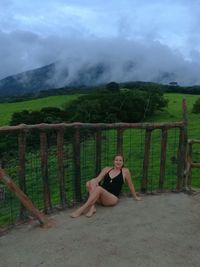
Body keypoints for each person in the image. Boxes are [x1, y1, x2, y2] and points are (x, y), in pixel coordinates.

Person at [70, 154, 142, 218]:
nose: (118, 162)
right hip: (100, 197)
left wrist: (135, 196)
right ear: (113, 161)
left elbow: (130, 185)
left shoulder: (125, 171)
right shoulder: (107, 169)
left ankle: (81, 209)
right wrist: (91, 182)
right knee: (90, 182)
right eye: (116, 160)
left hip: (112, 199)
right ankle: (92, 207)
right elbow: (97, 179)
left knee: (98, 188)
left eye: (120, 160)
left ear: (123, 162)